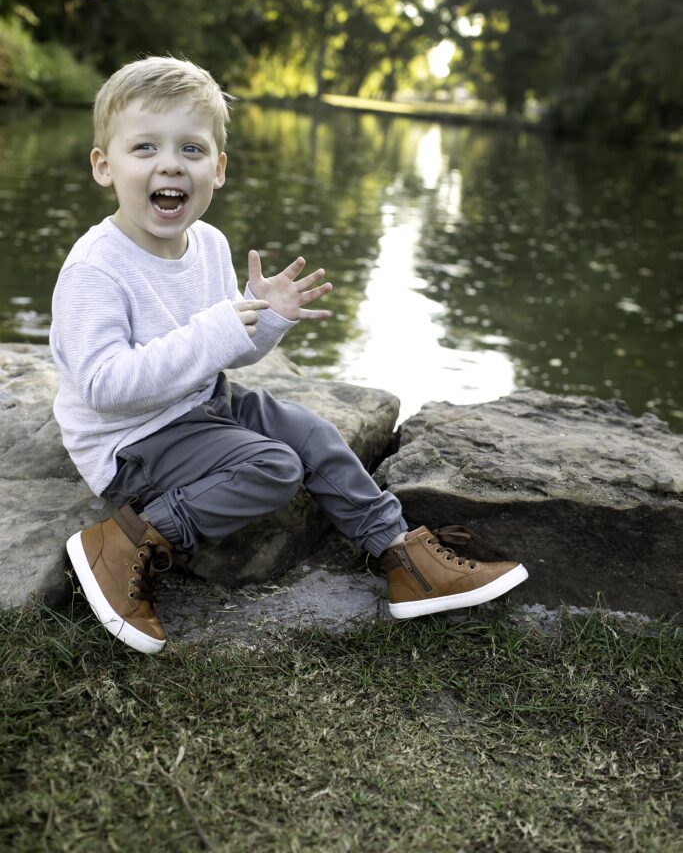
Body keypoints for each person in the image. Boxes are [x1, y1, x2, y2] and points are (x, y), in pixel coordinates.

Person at [50, 56, 528, 655]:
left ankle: (402, 558)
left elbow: (226, 348)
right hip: (132, 439)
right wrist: (212, 332)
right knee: (273, 467)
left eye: (191, 150)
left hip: (200, 404)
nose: (169, 163)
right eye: (144, 147)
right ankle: (124, 544)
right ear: (104, 165)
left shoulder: (208, 243)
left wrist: (264, 315)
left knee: (311, 432)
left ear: (217, 169)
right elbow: (102, 386)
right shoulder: (96, 268)